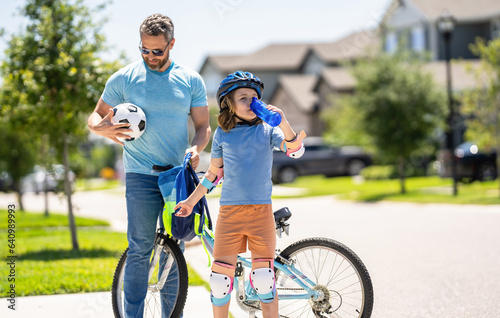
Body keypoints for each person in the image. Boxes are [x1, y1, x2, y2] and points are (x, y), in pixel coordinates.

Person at [87, 13, 211, 317]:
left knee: (174, 252)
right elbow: (94, 117)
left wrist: (196, 149)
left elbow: (203, 126)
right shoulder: (124, 78)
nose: (150, 56)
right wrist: (100, 129)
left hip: (176, 177)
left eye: (157, 50)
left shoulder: (190, 80)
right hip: (140, 175)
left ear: (172, 44)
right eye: (144, 49)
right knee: (140, 250)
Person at [175, 71, 306, 318]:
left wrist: (283, 122)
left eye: (254, 97)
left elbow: (295, 151)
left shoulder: (268, 129)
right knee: (219, 281)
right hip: (230, 214)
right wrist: (191, 202)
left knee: (264, 280)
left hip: (260, 213)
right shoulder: (224, 134)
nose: (251, 102)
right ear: (229, 104)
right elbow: (214, 174)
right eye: (243, 98)